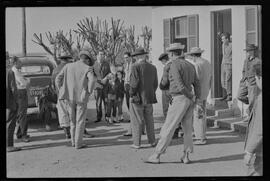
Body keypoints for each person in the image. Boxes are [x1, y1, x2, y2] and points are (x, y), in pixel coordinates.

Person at [146, 43, 200, 164]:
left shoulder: (173, 65)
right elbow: (197, 83)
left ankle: (157, 154)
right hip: (190, 99)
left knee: (169, 127)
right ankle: (186, 156)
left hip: (179, 98)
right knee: (187, 129)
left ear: (171, 54)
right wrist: (196, 98)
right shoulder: (190, 65)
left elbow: (179, 85)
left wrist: (190, 95)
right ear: (181, 52)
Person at [55, 50, 96, 149]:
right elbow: (92, 80)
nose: (89, 63)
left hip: (69, 97)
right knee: (80, 121)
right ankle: (78, 143)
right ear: (86, 59)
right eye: (89, 60)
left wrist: (61, 89)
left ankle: (73, 142)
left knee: (72, 121)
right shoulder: (88, 68)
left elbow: (57, 79)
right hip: (81, 98)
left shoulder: (68, 66)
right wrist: (89, 92)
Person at [129, 47, 158, 149]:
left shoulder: (135, 66)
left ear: (137, 57)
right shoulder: (153, 67)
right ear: (144, 55)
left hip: (137, 97)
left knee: (137, 120)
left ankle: (137, 143)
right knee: (149, 120)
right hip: (149, 97)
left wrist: (131, 93)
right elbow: (155, 84)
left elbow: (134, 83)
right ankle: (152, 141)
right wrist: (151, 92)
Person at [185, 47, 212, 145]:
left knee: (198, 114)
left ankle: (200, 137)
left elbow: (196, 81)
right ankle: (202, 134)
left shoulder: (197, 65)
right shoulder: (207, 63)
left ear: (193, 56)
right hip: (205, 91)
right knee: (202, 113)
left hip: (198, 92)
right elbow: (210, 78)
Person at [243, 61, 262, 176]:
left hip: (259, 151)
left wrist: (249, 151)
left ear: (259, 78)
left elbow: (260, 130)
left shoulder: (261, 100)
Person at [158, 52, 181, 139]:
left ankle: (171, 131)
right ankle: (177, 129)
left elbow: (165, 81)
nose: (162, 63)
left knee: (167, 111)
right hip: (174, 91)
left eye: (162, 61)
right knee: (175, 111)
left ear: (164, 60)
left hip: (167, 91)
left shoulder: (167, 66)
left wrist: (160, 86)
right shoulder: (175, 64)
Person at [237, 44, 261, 117]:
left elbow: (259, 74)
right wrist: (242, 80)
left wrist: (256, 81)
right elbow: (244, 71)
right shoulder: (246, 60)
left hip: (253, 83)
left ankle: (250, 117)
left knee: (252, 102)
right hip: (245, 82)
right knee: (239, 96)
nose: (248, 52)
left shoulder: (258, 61)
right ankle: (254, 104)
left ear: (253, 51)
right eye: (247, 51)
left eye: (250, 51)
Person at [11, 56, 31, 142]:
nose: (21, 63)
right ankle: (24, 135)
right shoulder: (16, 72)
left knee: (20, 114)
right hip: (21, 93)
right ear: (15, 63)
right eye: (19, 62)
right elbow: (24, 83)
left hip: (19, 93)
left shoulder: (15, 71)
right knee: (23, 115)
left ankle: (19, 133)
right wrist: (28, 81)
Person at [6, 57, 21, 152]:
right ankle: (9, 145)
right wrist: (17, 100)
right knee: (10, 124)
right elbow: (13, 88)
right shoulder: (9, 72)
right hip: (9, 102)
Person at [93, 50, 111, 123]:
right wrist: (100, 80)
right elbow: (92, 75)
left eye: (103, 54)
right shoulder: (93, 64)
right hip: (97, 86)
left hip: (105, 86)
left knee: (106, 102)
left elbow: (109, 73)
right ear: (97, 55)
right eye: (100, 54)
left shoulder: (107, 64)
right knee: (98, 102)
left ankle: (107, 117)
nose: (102, 56)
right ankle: (98, 117)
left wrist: (106, 78)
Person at [220, 32, 232, 101]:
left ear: (227, 39)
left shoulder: (232, 45)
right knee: (223, 80)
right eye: (222, 39)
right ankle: (225, 94)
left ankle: (229, 95)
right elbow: (223, 55)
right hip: (223, 64)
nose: (222, 40)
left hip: (229, 64)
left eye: (223, 39)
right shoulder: (223, 45)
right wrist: (222, 63)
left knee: (228, 79)